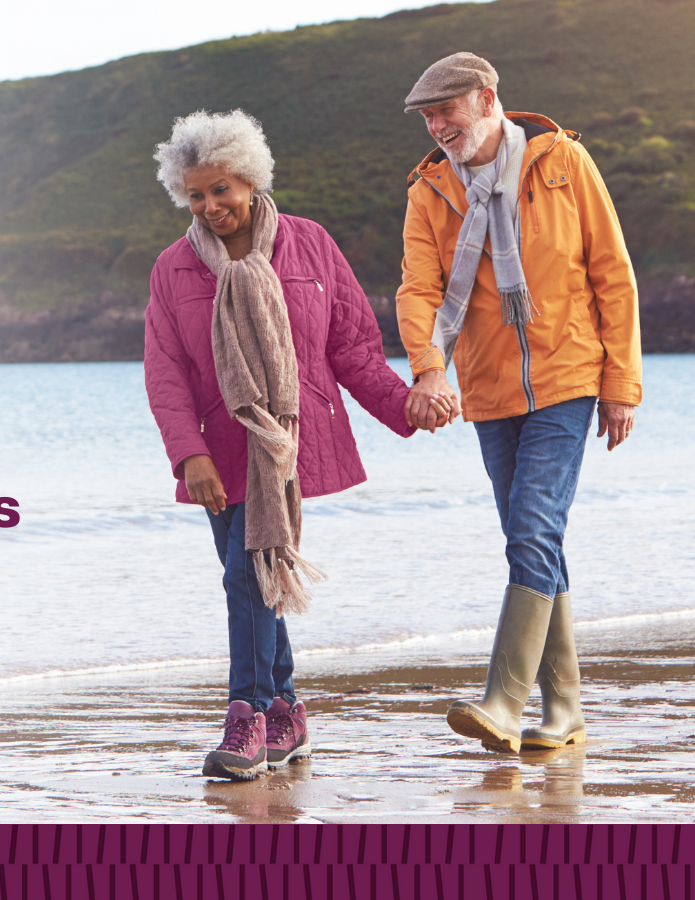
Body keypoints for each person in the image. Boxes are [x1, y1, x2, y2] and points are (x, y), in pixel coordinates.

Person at [145, 109, 443, 781]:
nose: (210, 206)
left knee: (246, 576)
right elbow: (164, 372)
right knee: (254, 576)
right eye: (196, 194)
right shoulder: (174, 269)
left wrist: (407, 407)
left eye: (221, 189)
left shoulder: (309, 246)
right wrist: (186, 454)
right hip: (218, 451)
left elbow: (355, 350)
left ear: (249, 180)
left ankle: (246, 718)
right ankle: (285, 711)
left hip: (286, 445)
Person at [395, 53, 643, 753]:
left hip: (569, 378)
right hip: (488, 388)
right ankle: (564, 711)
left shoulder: (562, 162)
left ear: (487, 99)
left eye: (447, 110)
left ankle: (504, 701)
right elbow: (418, 291)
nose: (438, 126)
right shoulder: (429, 191)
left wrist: (622, 385)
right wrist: (428, 370)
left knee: (531, 529)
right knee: (535, 539)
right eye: (428, 117)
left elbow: (613, 276)